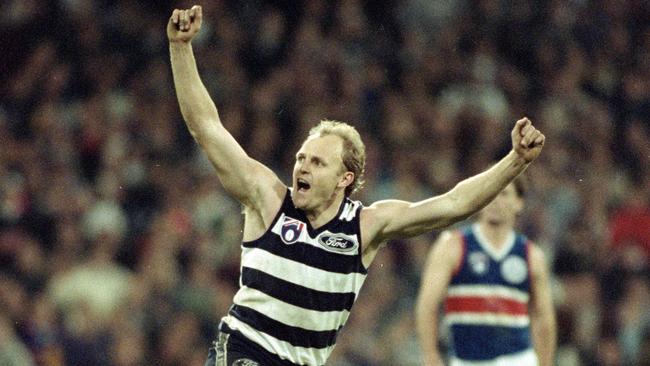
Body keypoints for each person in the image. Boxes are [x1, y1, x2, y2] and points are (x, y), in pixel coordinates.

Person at [167, 6, 546, 366]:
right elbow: (207, 128)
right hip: (242, 351)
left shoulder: (365, 227)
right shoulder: (267, 199)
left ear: (344, 179)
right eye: (301, 157)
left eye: (317, 162)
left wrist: (515, 161)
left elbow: (454, 204)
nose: (302, 166)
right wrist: (181, 48)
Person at [415, 178, 557, 366]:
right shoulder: (452, 246)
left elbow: (543, 317)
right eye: (490, 192)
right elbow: (427, 305)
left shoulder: (532, 255)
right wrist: (430, 355)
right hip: (468, 361)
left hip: (519, 360)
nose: (495, 200)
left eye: (504, 194)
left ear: (519, 203)